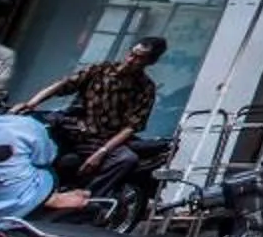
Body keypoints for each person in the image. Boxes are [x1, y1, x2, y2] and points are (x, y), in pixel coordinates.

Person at [13, 35, 165, 193]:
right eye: (132, 54)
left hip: (103, 138)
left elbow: (131, 126)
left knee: (126, 159)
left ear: (150, 62)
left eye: (139, 58)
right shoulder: (99, 70)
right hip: (75, 127)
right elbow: (62, 85)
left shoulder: (145, 88)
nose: (131, 60)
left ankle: (87, 200)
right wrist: (31, 103)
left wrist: (101, 152)